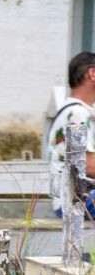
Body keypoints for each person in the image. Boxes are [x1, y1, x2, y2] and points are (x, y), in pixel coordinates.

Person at [48, 52, 95, 218]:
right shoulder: (77, 113)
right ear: (92, 73)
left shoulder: (77, 110)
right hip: (76, 200)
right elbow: (90, 166)